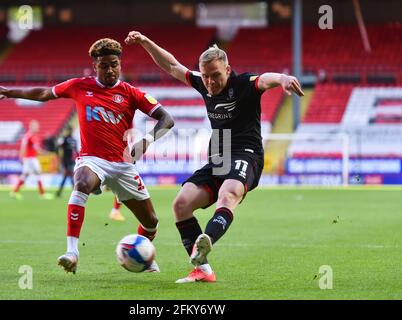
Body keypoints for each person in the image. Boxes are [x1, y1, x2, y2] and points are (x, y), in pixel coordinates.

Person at [125, 31, 304, 283]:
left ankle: (206, 239)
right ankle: (203, 270)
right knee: (181, 204)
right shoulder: (203, 82)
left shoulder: (242, 84)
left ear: (228, 70)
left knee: (228, 194)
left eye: (216, 75)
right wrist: (145, 42)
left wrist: (283, 78)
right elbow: (172, 65)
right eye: (206, 76)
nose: (210, 82)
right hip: (219, 154)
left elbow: (265, 79)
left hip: (246, 152)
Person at [0, 37, 174, 274]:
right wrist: (13, 92)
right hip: (92, 159)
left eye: (114, 64)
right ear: (95, 66)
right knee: (81, 182)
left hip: (122, 165)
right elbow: (45, 93)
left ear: (120, 64)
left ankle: (144, 253)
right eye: (104, 65)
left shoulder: (131, 93)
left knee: (151, 222)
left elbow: (167, 119)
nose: (110, 69)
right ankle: (72, 252)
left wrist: (146, 140)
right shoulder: (80, 86)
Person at [10, 119, 49, 200]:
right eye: (36, 126)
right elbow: (36, 148)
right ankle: (42, 194)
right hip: (31, 158)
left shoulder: (27, 135)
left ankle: (14, 192)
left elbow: (23, 147)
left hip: (28, 158)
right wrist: (44, 152)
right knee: (37, 173)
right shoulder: (31, 136)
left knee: (25, 175)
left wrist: (21, 157)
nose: (38, 128)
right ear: (31, 126)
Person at [55, 125, 78, 198]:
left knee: (66, 176)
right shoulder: (64, 139)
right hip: (65, 161)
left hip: (72, 161)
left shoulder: (74, 140)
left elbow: (76, 151)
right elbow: (57, 148)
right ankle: (75, 192)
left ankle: (58, 192)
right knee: (71, 176)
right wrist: (59, 157)